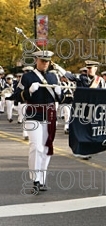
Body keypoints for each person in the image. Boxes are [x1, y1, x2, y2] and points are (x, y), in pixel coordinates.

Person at [15, 50, 65, 195]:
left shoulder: (53, 77)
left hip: (49, 115)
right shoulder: (27, 77)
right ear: (36, 60)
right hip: (33, 115)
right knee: (36, 147)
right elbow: (17, 96)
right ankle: (35, 179)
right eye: (42, 61)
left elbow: (60, 100)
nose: (45, 63)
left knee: (46, 148)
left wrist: (59, 93)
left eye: (47, 61)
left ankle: (42, 178)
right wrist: (29, 91)